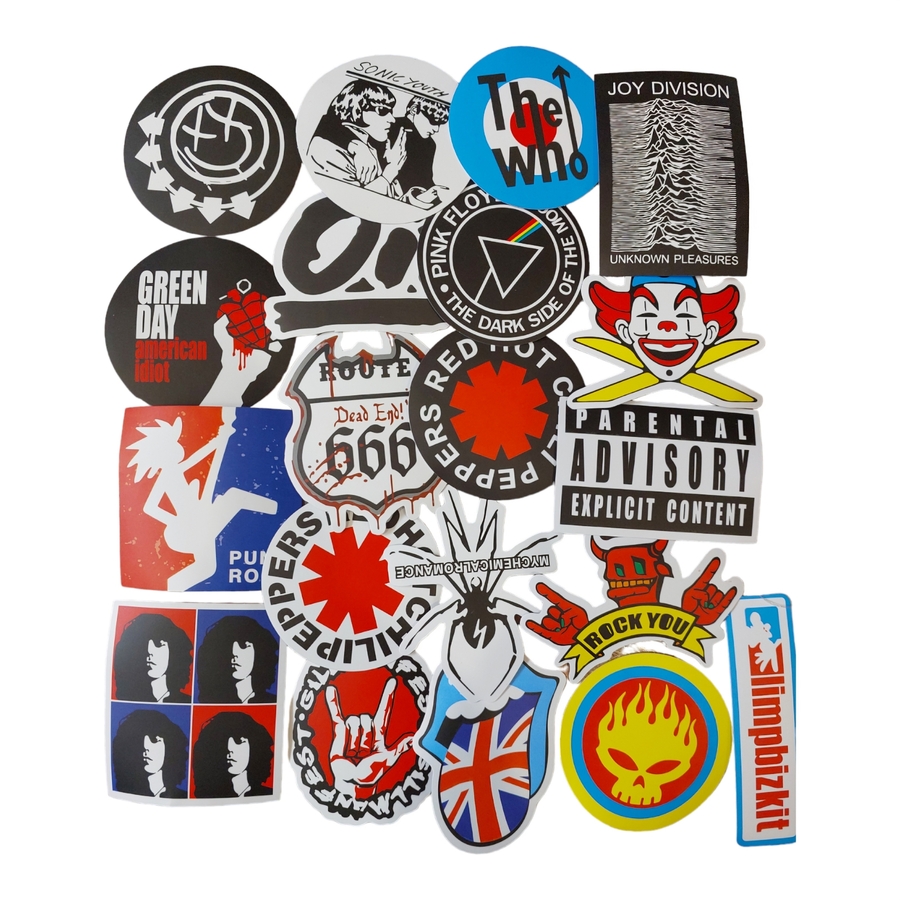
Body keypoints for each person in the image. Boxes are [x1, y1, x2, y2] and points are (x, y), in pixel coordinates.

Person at [308, 80, 439, 209]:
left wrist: (420, 198)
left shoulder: (369, 147)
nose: (392, 119)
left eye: (391, 112)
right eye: (382, 110)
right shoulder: (327, 150)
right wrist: (390, 171)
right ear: (357, 108)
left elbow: (390, 201)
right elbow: (356, 206)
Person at [196, 615, 278, 704]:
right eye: (226, 645)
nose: (234, 653)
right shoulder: (208, 701)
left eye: (243, 645)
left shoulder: (272, 701)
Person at [113, 612, 193, 703]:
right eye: (141, 644)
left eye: (158, 644)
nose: (149, 651)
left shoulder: (186, 701)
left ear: (173, 651)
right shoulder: (126, 699)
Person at [192, 712, 274, 798]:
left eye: (239, 741)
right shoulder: (206, 795)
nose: (229, 748)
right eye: (221, 741)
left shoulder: (267, 794)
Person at [111, 709, 188, 798]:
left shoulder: (183, 797)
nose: (145, 747)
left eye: (154, 740)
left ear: (169, 747)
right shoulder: (122, 797)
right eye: (137, 740)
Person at [387, 96, 449, 200]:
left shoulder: (430, 144)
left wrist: (434, 193)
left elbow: (425, 178)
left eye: (439, 124)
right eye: (433, 121)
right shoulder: (389, 127)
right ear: (414, 110)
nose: (436, 129)